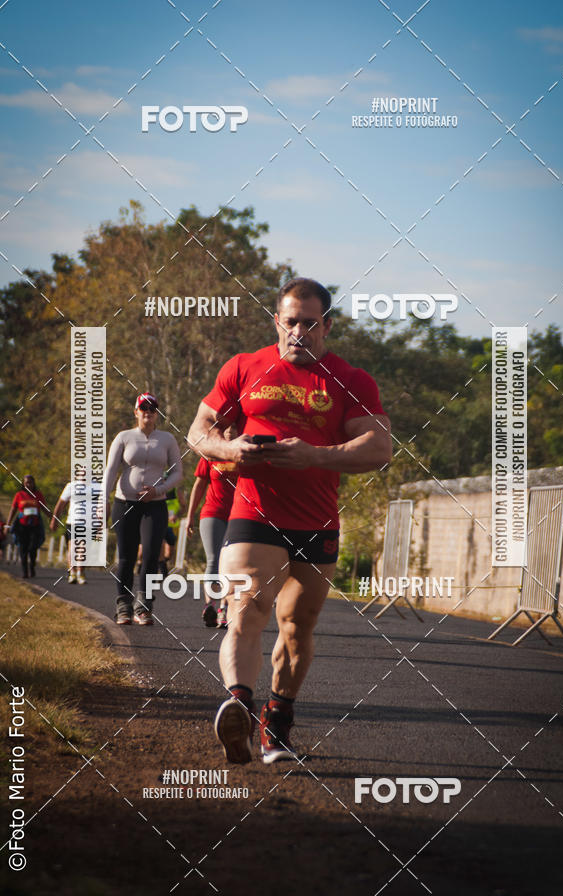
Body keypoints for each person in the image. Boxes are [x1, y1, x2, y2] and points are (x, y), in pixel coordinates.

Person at [187, 277, 391, 764]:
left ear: (327, 326)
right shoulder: (244, 367)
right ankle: (238, 702)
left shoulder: (350, 379)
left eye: (310, 322)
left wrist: (313, 456)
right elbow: (200, 431)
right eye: (291, 321)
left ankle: (276, 724)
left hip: (317, 523)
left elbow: (379, 447)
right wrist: (230, 448)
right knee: (246, 606)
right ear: (277, 321)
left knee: (298, 628)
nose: (299, 330)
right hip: (254, 511)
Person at [104, 393, 183, 625]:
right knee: (126, 558)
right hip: (124, 503)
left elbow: (178, 473)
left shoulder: (167, 439)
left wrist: (158, 491)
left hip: (155, 505)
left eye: (152, 408)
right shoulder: (124, 437)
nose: (148, 411)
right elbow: (110, 470)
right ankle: (123, 606)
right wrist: (103, 502)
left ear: (157, 413)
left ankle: (144, 605)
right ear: (136, 411)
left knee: (150, 555)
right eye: (143, 408)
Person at [186, 426, 238, 629]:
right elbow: (199, 485)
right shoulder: (211, 454)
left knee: (231, 564)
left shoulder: (244, 454)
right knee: (214, 560)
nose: (231, 431)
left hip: (238, 516)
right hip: (212, 513)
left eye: (235, 428)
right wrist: (190, 516)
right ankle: (210, 605)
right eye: (227, 428)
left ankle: (224, 609)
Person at [4, 474, 51, 578]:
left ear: (34, 484)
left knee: (33, 547)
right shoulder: (19, 495)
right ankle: (25, 571)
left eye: (30, 482)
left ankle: (32, 566)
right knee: (23, 548)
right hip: (22, 525)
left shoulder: (38, 494)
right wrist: (7, 525)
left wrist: (52, 517)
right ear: (23, 484)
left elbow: (44, 508)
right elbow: (13, 510)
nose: (29, 485)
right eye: (26, 483)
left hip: (35, 525)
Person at [50, 480, 93, 584]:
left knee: (83, 548)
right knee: (73, 547)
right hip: (73, 522)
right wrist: (54, 520)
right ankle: (72, 573)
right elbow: (60, 504)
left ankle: (80, 573)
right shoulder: (71, 486)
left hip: (88, 523)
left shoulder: (95, 486)